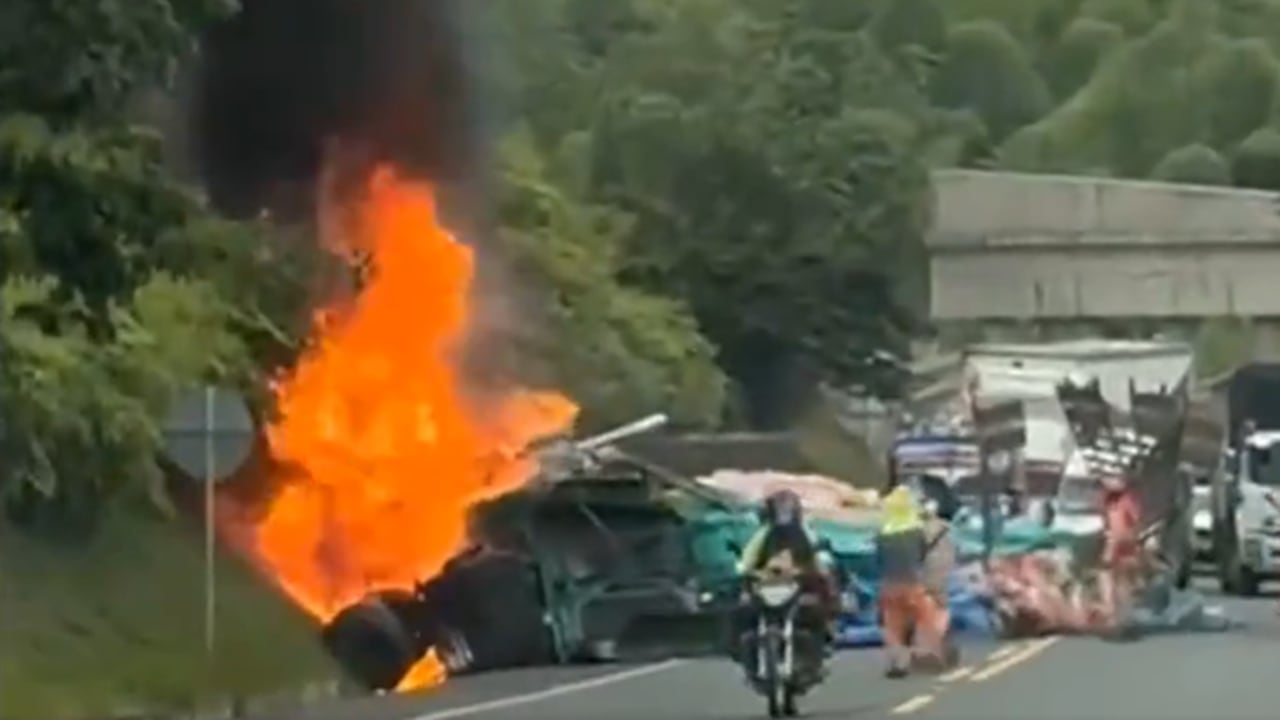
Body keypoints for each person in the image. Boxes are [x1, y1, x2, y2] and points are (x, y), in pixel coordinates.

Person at [733, 490, 838, 663]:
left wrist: (813, 570)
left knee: (823, 592)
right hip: (767, 585)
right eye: (780, 509)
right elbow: (747, 561)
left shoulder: (806, 532)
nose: (784, 515)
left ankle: (827, 632)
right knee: (741, 608)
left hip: (799, 583)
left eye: (788, 509)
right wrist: (751, 572)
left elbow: (817, 559)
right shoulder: (763, 534)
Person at [876, 486, 942, 678]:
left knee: (892, 625)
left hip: (889, 585)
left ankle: (897, 663)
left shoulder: (883, 533)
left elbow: (878, 560)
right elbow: (922, 556)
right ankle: (927, 654)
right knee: (925, 618)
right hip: (912, 583)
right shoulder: (916, 530)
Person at [1098, 474, 1141, 626]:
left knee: (1106, 572)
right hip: (1127, 539)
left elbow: (1106, 523)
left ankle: (1110, 609)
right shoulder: (1128, 499)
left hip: (1116, 540)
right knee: (1123, 576)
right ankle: (1123, 612)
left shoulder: (1109, 500)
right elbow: (1136, 520)